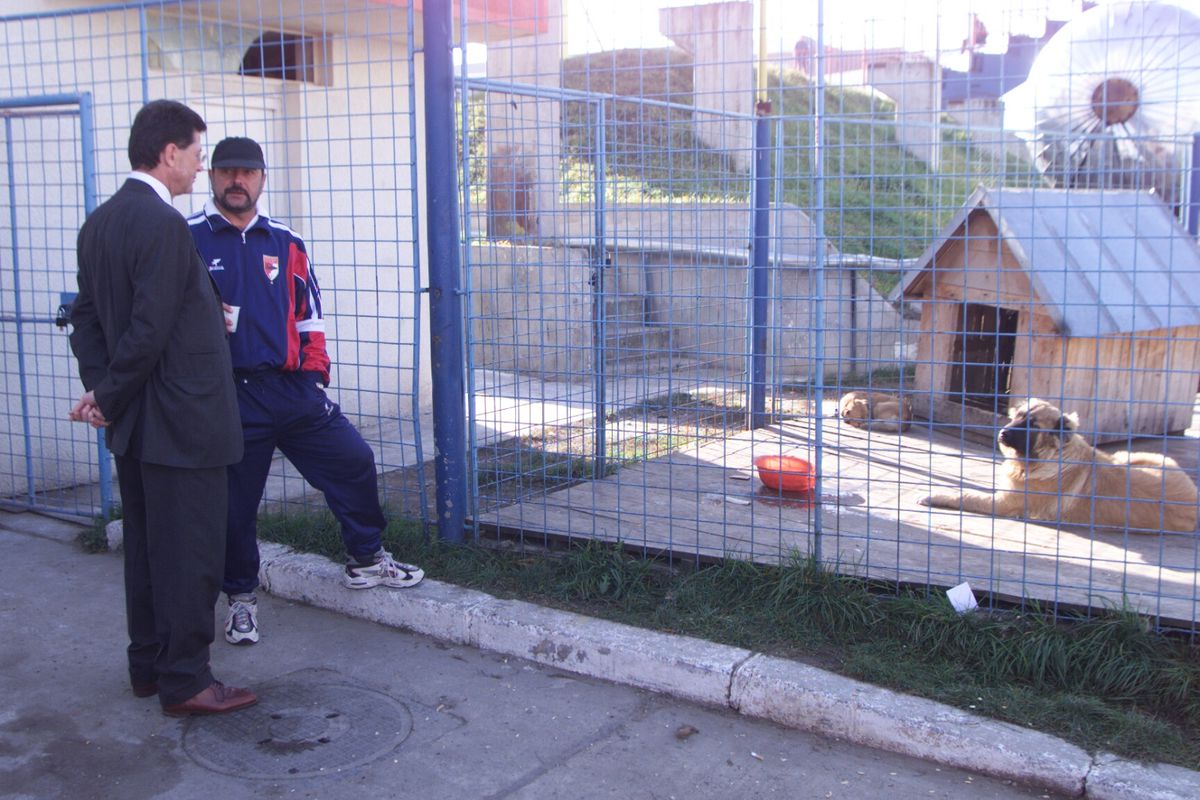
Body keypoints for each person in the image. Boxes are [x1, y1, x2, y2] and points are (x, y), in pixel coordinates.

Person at [187, 136, 424, 647]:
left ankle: (366, 559)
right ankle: (242, 601)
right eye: (227, 171)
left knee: (353, 460)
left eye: (247, 173)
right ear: (211, 176)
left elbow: (309, 316)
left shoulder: (286, 241)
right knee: (235, 507)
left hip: (294, 391)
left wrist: (314, 379)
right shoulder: (188, 238)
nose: (237, 181)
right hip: (232, 396)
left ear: (262, 178)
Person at [68, 100, 256, 716]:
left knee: (149, 550)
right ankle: (186, 680)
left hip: (138, 425)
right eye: (198, 155)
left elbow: (89, 320)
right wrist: (110, 393)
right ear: (169, 153)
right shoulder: (164, 224)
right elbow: (148, 328)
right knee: (191, 553)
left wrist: (101, 391)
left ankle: (148, 667)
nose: (202, 168)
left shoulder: (99, 223)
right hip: (183, 423)